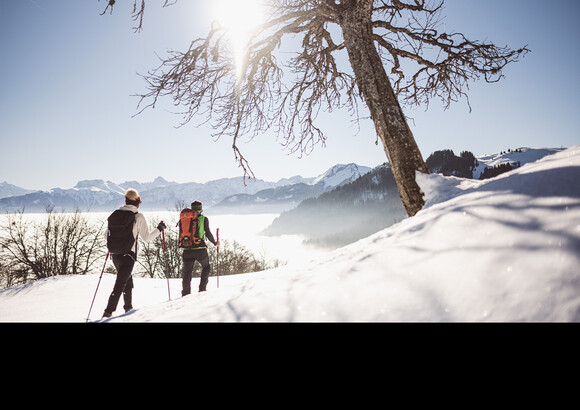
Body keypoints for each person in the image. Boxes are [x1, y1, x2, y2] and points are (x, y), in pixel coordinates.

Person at [102, 188, 166, 318]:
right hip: (129, 255)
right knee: (120, 284)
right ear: (137, 202)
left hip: (115, 254)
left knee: (127, 280)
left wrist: (118, 241)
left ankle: (128, 308)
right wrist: (160, 229)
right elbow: (147, 238)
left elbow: (106, 235)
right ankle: (108, 312)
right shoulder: (138, 216)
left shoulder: (116, 214)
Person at [181, 200, 219, 295]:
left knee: (187, 272)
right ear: (200, 209)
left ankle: (185, 293)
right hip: (200, 249)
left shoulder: (184, 218)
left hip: (187, 249)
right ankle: (202, 289)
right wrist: (215, 243)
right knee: (206, 267)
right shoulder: (203, 219)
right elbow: (208, 233)